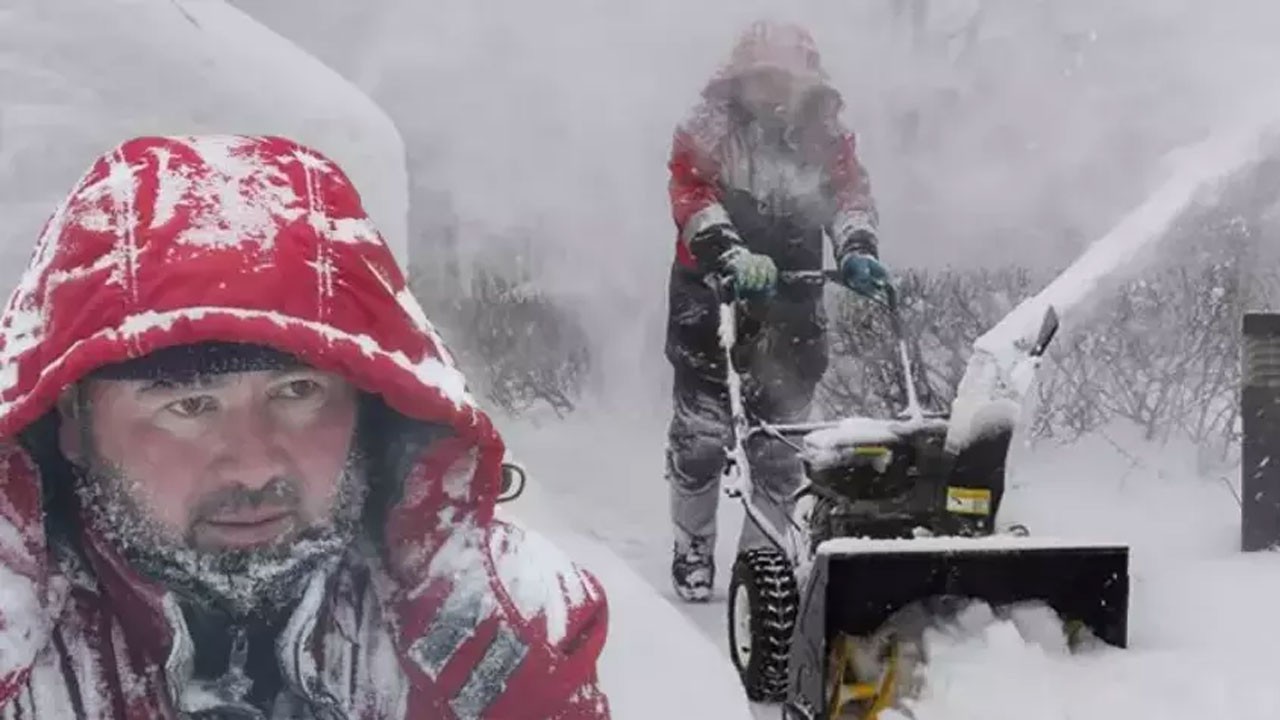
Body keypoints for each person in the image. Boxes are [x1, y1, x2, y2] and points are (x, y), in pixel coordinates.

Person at [0, 134, 610, 718]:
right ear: (72, 423)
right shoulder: (18, 654)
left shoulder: (497, 625)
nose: (256, 463)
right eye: (188, 405)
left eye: (298, 392)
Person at [664, 20, 892, 601]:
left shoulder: (826, 136)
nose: (773, 91)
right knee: (703, 435)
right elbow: (691, 195)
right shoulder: (707, 130)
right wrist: (731, 252)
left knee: (781, 438)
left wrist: (858, 246)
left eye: (784, 78)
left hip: (794, 290)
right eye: (762, 78)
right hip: (710, 287)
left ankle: (759, 563)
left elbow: (850, 196)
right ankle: (692, 543)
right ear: (739, 79)